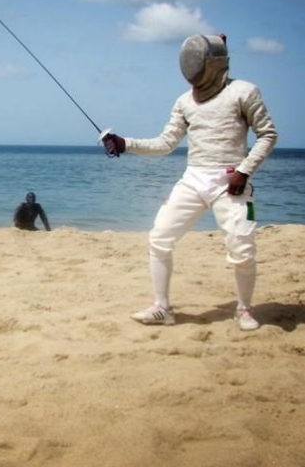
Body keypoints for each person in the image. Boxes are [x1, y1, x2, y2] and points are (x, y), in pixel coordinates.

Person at [102, 33, 277, 331]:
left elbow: (268, 134)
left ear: (214, 63)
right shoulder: (184, 101)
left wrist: (244, 171)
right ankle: (162, 308)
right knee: (159, 237)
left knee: (242, 249)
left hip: (231, 180)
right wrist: (124, 143)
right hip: (193, 178)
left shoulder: (244, 92)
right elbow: (166, 143)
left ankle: (244, 309)